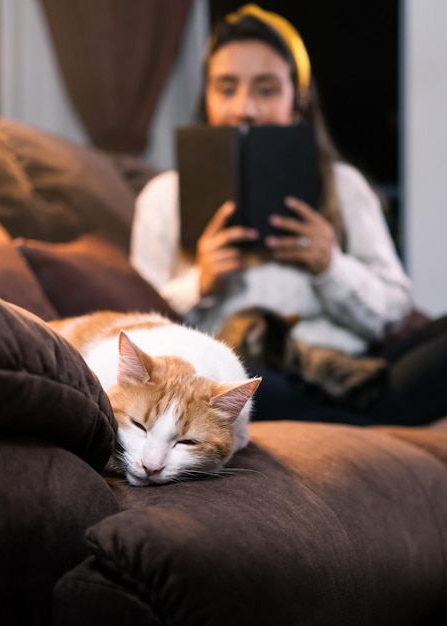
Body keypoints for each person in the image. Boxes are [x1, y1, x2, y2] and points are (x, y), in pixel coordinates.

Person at [130, 3, 447, 426]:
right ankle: (354, 420)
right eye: (226, 88)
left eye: (265, 89)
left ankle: (350, 415)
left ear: (297, 103)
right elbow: (138, 336)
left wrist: (331, 267)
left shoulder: (342, 186)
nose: (245, 108)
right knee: (255, 383)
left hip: (353, 371)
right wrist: (200, 283)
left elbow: (393, 313)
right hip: (246, 380)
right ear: (206, 98)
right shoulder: (163, 198)